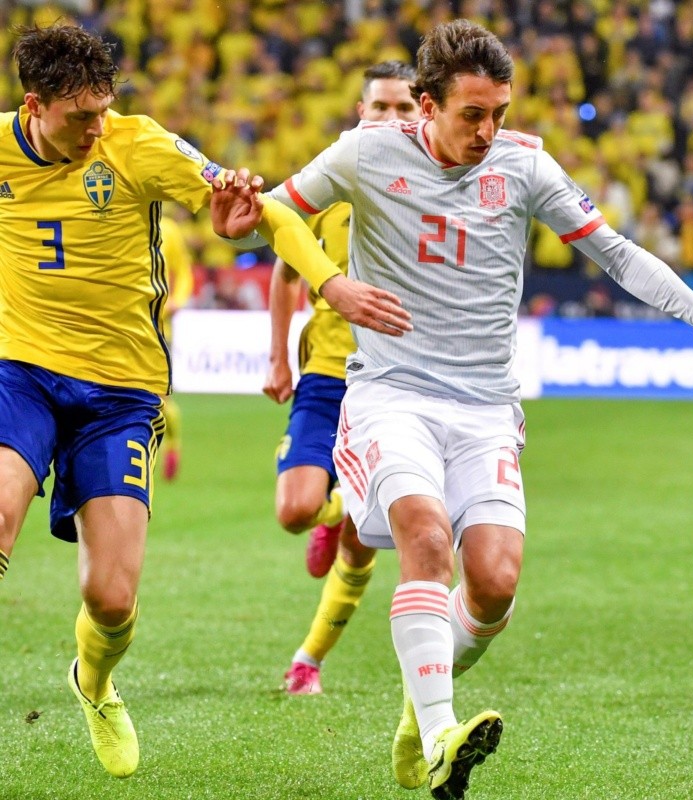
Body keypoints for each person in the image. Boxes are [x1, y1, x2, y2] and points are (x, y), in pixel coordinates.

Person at [211, 20, 693, 800]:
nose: (488, 130)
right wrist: (324, 279)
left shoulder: (524, 163)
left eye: (499, 112)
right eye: (472, 114)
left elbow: (612, 250)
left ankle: (419, 720)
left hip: (485, 406)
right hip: (392, 394)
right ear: (426, 104)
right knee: (425, 534)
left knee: (496, 582)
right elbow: (274, 211)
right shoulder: (368, 152)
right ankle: (444, 734)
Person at [0, 22, 409, 780]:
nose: (98, 128)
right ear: (34, 106)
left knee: (112, 599)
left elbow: (266, 211)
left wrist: (318, 274)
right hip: (18, 371)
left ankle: (93, 681)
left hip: (121, 395)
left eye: (105, 109)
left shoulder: (139, 143)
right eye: (81, 117)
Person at [263, 61, 421, 695]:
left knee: (363, 543)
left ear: (425, 113)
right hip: (329, 375)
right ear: (361, 112)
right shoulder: (329, 186)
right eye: (379, 106)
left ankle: (309, 660)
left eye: (403, 108)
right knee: (296, 511)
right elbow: (282, 270)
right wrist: (278, 356)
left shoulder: (438, 190)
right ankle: (332, 507)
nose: (389, 118)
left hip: (401, 382)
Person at [160, 208, 195, 481]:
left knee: (161, 399)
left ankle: (172, 445)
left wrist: (177, 301)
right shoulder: (116, 217)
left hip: (159, 327)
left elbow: (183, 272)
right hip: (120, 327)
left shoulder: (169, 230)